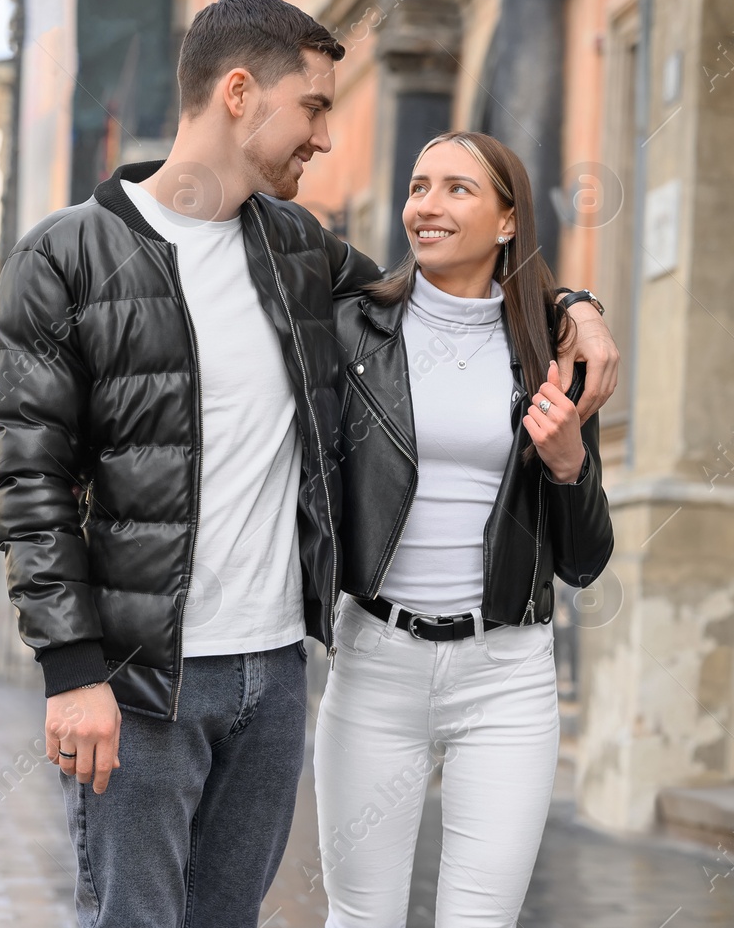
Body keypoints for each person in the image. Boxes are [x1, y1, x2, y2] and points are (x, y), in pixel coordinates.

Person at [0, 0, 619, 928]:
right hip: (141, 672)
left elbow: (452, 293)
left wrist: (575, 301)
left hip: (275, 673)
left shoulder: (296, 251)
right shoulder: (66, 257)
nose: (325, 139)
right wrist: (73, 669)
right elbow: (29, 481)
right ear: (239, 93)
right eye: (315, 107)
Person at [315, 131, 614, 926]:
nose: (427, 206)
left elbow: (585, 559)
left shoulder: (546, 351)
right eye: (418, 186)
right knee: (360, 915)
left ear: (508, 220)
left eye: (456, 189)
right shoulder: (351, 330)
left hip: (505, 673)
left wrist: (568, 462)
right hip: (376, 663)